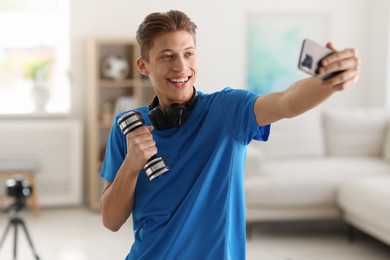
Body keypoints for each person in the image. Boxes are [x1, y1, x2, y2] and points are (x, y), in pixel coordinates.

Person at [99, 10, 360, 260]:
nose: (181, 67)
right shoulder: (129, 125)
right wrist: (131, 165)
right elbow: (111, 221)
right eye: (167, 56)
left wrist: (330, 80)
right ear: (143, 66)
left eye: (188, 54)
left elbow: (287, 102)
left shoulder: (227, 110)